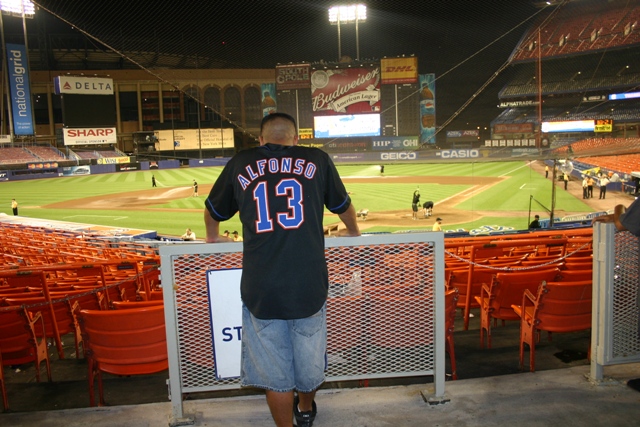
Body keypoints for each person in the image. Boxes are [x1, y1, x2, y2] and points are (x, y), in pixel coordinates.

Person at [204, 112, 360, 427]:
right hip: (308, 285)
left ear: (261, 140)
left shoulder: (242, 161)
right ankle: (305, 409)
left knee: (275, 376)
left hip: (261, 288)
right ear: (296, 139)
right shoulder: (316, 159)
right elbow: (342, 206)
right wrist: (354, 231)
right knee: (309, 363)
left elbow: (212, 210)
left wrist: (212, 237)